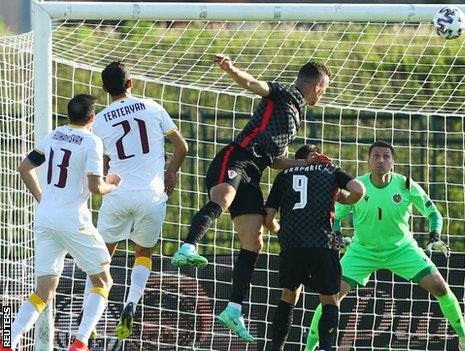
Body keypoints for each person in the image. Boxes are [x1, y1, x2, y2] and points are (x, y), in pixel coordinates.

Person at [171, 54, 332, 342]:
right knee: (224, 199)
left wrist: (304, 164)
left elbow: (275, 160)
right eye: (326, 88)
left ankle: (233, 309)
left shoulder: (296, 113)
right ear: (319, 85)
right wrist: (231, 69)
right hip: (237, 157)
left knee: (254, 240)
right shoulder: (286, 93)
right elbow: (255, 84)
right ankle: (188, 246)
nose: (324, 94)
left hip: (254, 172)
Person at [305, 141, 465, 351]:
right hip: (363, 251)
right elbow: (336, 216)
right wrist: (338, 235)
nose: (380, 160)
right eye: (375, 156)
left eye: (386, 156)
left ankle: (464, 341)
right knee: (329, 297)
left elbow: (433, 213)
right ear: (368, 161)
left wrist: (435, 235)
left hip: (401, 249)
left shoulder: (405, 185)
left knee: (441, 288)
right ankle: (309, 348)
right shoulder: (356, 185)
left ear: (393, 162)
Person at [86, 60, 188, 339]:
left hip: (117, 193)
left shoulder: (101, 120)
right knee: (143, 253)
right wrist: (170, 173)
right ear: (130, 84)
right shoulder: (152, 107)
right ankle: (131, 303)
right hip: (152, 195)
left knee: (101, 256)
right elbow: (182, 146)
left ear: (105, 89)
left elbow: (101, 162)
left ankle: (90, 318)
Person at [10, 94, 121, 351]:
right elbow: (95, 187)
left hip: (46, 218)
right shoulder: (91, 141)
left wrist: (42, 199)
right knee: (103, 281)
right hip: (73, 221)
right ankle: (80, 343)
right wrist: (112, 185)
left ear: (68, 115)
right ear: (92, 118)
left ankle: (8, 340)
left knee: (44, 290)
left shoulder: (53, 135)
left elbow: (24, 167)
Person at [264, 144, 365, 351]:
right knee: (329, 300)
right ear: (309, 157)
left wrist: (281, 232)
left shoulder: (283, 176)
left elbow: (268, 219)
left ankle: (276, 348)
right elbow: (359, 190)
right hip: (322, 242)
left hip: (292, 244)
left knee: (288, 295)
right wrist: (345, 200)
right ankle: (327, 348)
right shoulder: (330, 170)